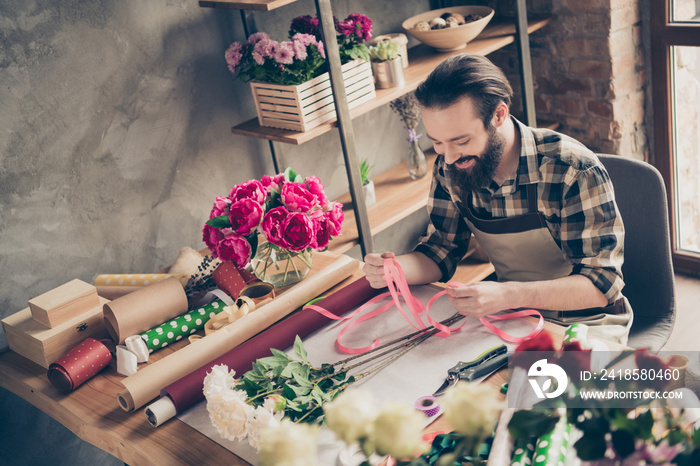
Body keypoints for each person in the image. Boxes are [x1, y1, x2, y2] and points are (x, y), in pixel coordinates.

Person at [363, 54, 632, 345]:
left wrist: (507, 294)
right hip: (513, 317)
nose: (449, 157)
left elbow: (600, 284)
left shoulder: (571, 170)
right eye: (438, 142)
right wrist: (394, 269)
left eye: (462, 141)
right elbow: (441, 251)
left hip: (588, 322)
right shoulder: (450, 167)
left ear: (499, 115)